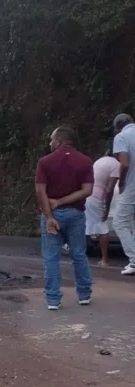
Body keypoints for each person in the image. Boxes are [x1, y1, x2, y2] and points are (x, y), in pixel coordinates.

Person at [35, 125, 94, 309]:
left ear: (59, 141)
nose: (49, 143)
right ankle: (84, 295)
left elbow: (39, 191)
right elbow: (87, 190)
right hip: (76, 214)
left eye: (51, 140)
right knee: (78, 255)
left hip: (51, 215)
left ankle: (53, 299)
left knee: (51, 257)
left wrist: (49, 215)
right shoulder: (85, 161)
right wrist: (61, 202)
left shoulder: (45, 162)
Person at [86, 148, 120, 267]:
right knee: (102, 229)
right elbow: (110, 189)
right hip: (96, 197)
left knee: (87, 225)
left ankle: (79, 254)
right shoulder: (116, 165)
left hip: (86, 194)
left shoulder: (100, 161)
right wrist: (106, 207)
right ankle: (105, 260)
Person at [112, 113, 135, 275]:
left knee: (119, 221)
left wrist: (121, 182)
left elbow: (124, 163)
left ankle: (134, 260)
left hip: (132, 185)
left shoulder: (121, 137)